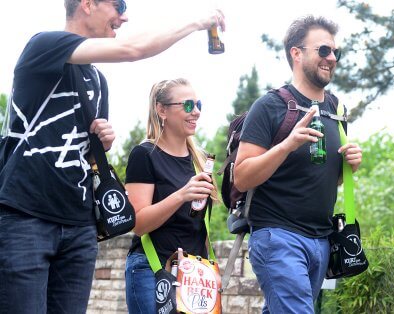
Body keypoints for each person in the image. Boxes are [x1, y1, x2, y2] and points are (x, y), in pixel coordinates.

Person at [0, 1, 225, 313]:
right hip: (27, 215)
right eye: (118, 4)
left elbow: (85, 155)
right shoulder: (44, 45)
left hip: (79, 225)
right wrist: (197, 23)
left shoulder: (97, 81)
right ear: (88, 4)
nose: (125, 15)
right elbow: (133, 49)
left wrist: (101, 144)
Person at [234, 15, 363, 313]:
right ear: (296, 53)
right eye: (323, 50)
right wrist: (288, 144)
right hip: (277, 236)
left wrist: (348, 167)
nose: (331, 58)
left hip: (321, 239)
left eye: (335, 52)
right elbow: (242, 177)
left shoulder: (336, 109)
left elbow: (320, 178)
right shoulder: (270, 106)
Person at [124, 78, 217, 313]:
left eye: (198, 105)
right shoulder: (144, 154)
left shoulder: (200, 160)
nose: (195, 112)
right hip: (153, 269)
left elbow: (199, 225)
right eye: (187, 106)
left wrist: (212, 272)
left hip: (194, 275)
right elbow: (139, 224)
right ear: (162, 110)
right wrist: (181, 195)